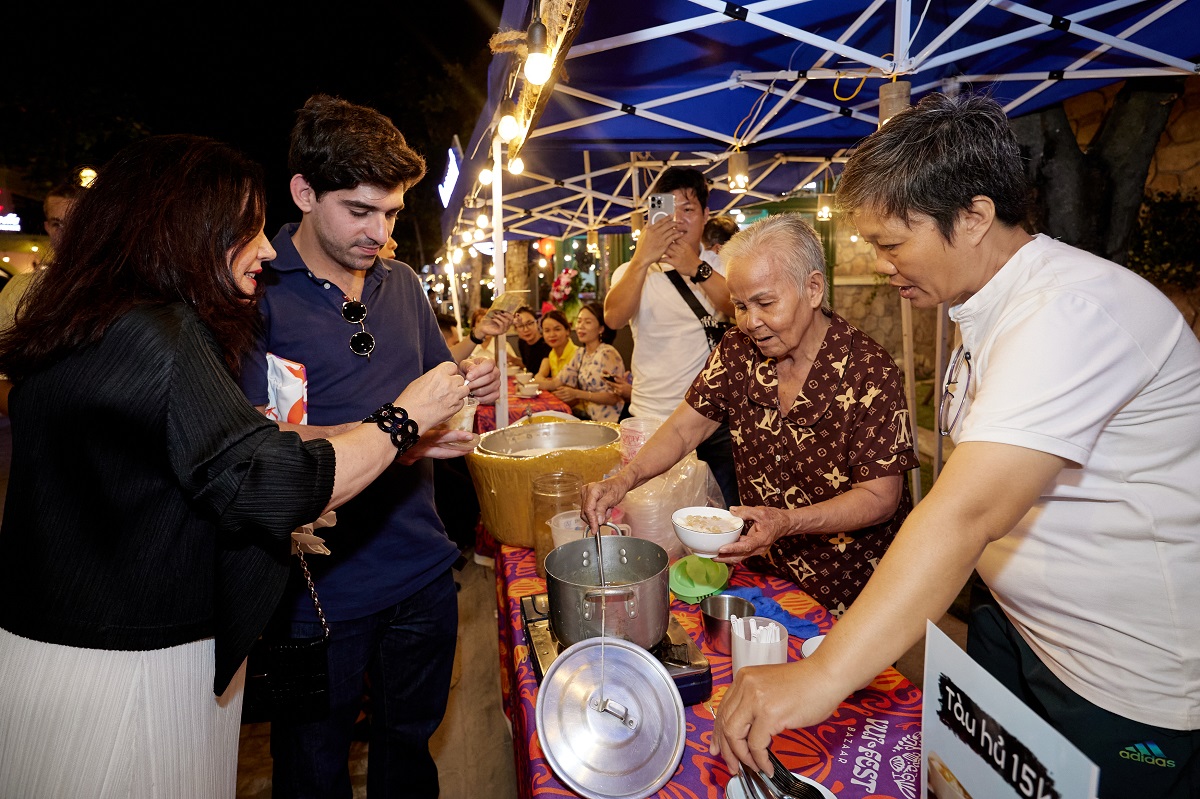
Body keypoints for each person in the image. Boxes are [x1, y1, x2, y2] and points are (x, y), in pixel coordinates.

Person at [710, 93, 1200, 799]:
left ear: (972, 216)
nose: (882, 266)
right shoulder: (985, 309)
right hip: (1022, 630)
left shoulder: (1069, 312)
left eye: (891, 243)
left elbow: (965, 511)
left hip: (1120, 676)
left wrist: (822, 674)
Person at [0, 135, 470, 799]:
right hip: (127, 666)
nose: (269, 248)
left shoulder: (88, 324)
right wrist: (399, 421)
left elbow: (210, 460)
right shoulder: (158, 335)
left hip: (63, 650)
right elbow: (267, 477)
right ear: (186, 229)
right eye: (249, 228)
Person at [237, 95, 500, 799]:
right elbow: (258, 445)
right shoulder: (257, 294)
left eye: (390, 213)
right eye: (359, 210)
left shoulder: (403, 283)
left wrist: (454, 398)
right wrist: (398, 429)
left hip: (420, 570)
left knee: (409, 755)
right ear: (303, 193)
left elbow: (428, 397)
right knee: (311, 766)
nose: (379, 232)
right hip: (317, 589)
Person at [584, 215, 915, 612]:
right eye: (740, 305)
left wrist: (787, 522)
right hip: (764, 571)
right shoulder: (737, 350)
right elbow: (684, 430)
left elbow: (880, 496)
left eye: (765, 303)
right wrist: (624, 480)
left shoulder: (869, 370)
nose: (751, 322)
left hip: (850, 582)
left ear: (813, 288)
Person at [605, 166, 740, 505]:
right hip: (650, 418)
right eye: (668, 210)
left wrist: (695, 267)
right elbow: (614, 317)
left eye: (689, 210)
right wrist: (642, 258)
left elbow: (740, 308)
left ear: (706, 215)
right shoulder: (633, 270)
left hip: (713, 421)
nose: (677, 220)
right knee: (649, 513)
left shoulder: (723, 265)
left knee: (724, 519)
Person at [0, 176, 88, 336]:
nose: (66, 234)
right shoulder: (19, 289)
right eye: (57, 224)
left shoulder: (116, 289)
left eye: (76, 223)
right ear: (47, 228)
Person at [547, 301, 627, 422]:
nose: (581, 326)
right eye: (579, 321)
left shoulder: (607, 353)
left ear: (601, 328)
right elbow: (556, 383)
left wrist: (577, 394)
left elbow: (613, 398)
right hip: (590, 419)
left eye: (587, 322)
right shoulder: (580, 353)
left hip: (610, 421)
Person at [532, 308, 577, 386]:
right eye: (547, 331)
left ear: (567, 331)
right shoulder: (552, 354)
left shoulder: (577, 354)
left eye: (557, 329)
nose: (552, 335)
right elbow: (539, 377)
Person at [513, 304, 551, 374]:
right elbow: (527, 365)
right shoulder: (522, 342)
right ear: (516, 329)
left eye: (529, 323)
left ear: (537, 323)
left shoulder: (547, 344)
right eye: (521, 326)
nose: (526, 329)